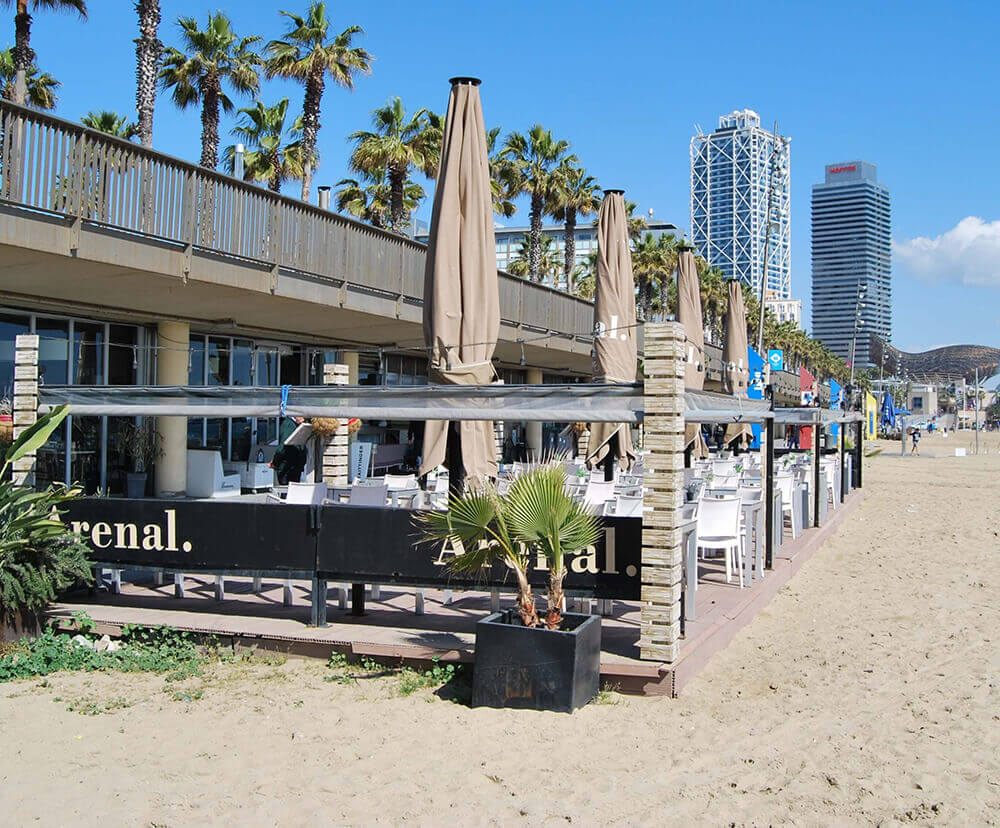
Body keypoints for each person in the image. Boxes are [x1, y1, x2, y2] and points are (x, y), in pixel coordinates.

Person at [271, 416, 308, 484]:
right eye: (302, 416)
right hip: (287, 468)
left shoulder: (296, 425)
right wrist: (275, 463)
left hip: (295, 467)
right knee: (286, 491)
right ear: (295, 415)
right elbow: (282, 448)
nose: (303, 419)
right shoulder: (288, 425)